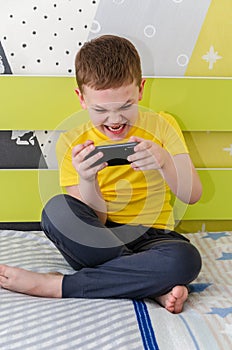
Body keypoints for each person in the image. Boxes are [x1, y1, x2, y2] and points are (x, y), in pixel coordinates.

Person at [0, 35, 202, 313]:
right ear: (81, 99)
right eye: (101, 110)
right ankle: (148, 283)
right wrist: (88, 180)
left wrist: (165, 161)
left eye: (126, 106)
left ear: (141, 90)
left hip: (155, 239)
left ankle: (58, 286)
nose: (115, 120)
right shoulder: (72, 143)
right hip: (99, 239)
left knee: (185, 259)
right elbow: (97, 221)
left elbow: (192, 195)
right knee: (56, 210)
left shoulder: (163, 126)